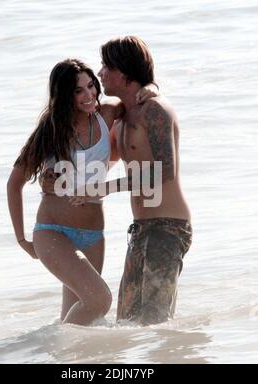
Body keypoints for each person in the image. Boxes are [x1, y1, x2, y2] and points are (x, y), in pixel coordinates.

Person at [7, 58, 157, 326]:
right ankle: (52, 344)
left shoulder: (107, 114)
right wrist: (22, 240)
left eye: (91, 86)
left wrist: (153, 88)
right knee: (99, 301)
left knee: (77, 318)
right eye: (79, 90)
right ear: (65, 95)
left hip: (92, 236)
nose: (89, 95)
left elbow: (138, 102)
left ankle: (65, 359)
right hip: (53, 232)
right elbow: (14, 182)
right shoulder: (50, 131)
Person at [70, 36, 192, 325]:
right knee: (126, 324)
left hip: (167, 228)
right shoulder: (122, 117)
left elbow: (165, 171)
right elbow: (102, 161)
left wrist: (107, 188)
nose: (100, 74)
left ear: (123, 72)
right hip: (140, 230)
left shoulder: (155, 110)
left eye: (105, 66)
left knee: (155, 323)